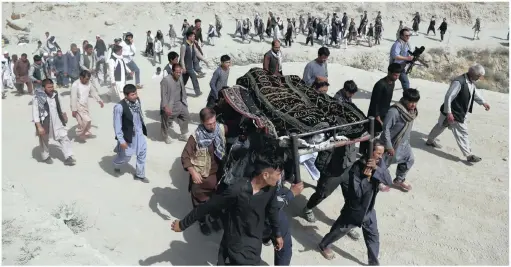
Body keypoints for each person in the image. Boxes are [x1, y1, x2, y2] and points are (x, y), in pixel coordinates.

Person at [171, 133, 286, 265]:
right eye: (278, 174)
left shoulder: (270, 189)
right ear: (265, 175)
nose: (279, 178)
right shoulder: (237, 190)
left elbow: (272, 211)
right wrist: (183, 224)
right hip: (232, 242)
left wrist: (277, 234)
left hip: (252, 245)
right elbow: (209, 206)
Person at [318, 139, 392, 264]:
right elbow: (356, 194)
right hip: (355, 209)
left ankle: (373, 263)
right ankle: (324, 244)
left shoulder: (378, 162)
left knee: (373, 235)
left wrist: (377, 170)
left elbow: (388, 181)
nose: (381, 156)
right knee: (340, 229)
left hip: (369, 208)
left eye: (382, 154)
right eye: (378, 153)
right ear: (370, 152)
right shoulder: (356, 169)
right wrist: (365, 179)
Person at [425, 64, 490, 163]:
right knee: (462, 132)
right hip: (455, 112)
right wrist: (449, 113)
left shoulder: (470, 81)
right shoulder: (459, 82)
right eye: (478, 76)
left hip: (455, 111)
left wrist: (483, 102)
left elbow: (473, 92)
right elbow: (448, 97)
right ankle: (469, 155)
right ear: (473, 74)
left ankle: (429, 140)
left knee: (441, 126)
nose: (479, 78)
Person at [180, 107, 227, 236]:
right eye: (208, 124)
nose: (212, 126)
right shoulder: (195, 137)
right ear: (202, 123)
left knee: (215, 200)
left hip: (217, 175)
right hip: (201, 178)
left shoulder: (221, 129)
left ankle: (213, 217)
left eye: (213, 123)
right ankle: (201, 222)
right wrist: (193, 172)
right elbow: (185, 156)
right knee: (199, 202)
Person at [380, 88, 420, 192]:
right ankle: (378, 181)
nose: (413, 104)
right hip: (391, 144)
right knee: (383, 164)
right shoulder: (394, 111)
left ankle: (399, 179)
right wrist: (388, 146)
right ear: (405, 99)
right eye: (411, 102)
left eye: (415, 102)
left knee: (409, 159)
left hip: (404, 143)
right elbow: (386, 129)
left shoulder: (411, 112)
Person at [359, 63, 402, 155]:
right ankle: (363, 151)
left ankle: (371, 151)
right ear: (389, 72)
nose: (397, 77)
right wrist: (377, 117)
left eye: (398, 75)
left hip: (384, 113)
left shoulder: (392, 83)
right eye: (395, 75)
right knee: (369, 132)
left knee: (376, 134)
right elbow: (375, 102)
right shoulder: (380, 85)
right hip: (375, 114)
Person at [32, 79, 75, 166]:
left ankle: (68, 157)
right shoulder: (37, 98)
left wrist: (64, 114)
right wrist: (39, 126)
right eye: (49, 87)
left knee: (64, 137)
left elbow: (60, 105)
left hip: (57, 121)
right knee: (44, 140)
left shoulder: (55, 94)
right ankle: (46, 156)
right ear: (44, 88)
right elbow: (35, 113)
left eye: (52, 86)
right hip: (45, 122)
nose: (51, 88)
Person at [112, 84, 148, 183]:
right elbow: (117, 125)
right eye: (132, 95)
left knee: (142, 153)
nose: (135, 96)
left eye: (135, 93)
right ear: (126, 95)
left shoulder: (137, 101)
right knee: (126, 157)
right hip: (128, 137)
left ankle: (140, 175)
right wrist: (121, 140)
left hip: (139, 133)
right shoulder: (119, 107)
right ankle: (116, 164)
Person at [70, 70, 104, 142]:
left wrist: (99, 101)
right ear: (81, 77)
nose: (87, 81)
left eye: (88, 79)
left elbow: (93, 92)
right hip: (77, 105)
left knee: (85, 121)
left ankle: (85, 132)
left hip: (85, 105)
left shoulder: (89, 83)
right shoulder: (75, 84)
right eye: (86, 79)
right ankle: (80, 133)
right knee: (87, 120)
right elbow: (73, 97)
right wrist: (74, 109)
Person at [160, 64, 190, 144]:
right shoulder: (166, 80)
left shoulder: (180, 77)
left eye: (180, 72)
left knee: (185, 117)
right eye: (177, 72)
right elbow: (163, 95)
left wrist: (184, 100)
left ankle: (183, 134)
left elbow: (182, 88)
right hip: (170, 105)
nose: (179, 74)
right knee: (166, 122)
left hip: (180, 102)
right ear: (172, 71)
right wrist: (165, 107)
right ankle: (165, 136)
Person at [180, 31, 208, 97]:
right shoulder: (184, 46)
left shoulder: (192, 44)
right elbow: (181, 58)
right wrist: (183, 67)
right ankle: (198, 92)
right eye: (193, 36)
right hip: (186, 67)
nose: (194, 37)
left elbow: (197, 53)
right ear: (189, 37)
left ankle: (178, 91)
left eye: (194, 36)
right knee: (194, 78)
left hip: (190, 66)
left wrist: (204, 60)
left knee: (184, 81)